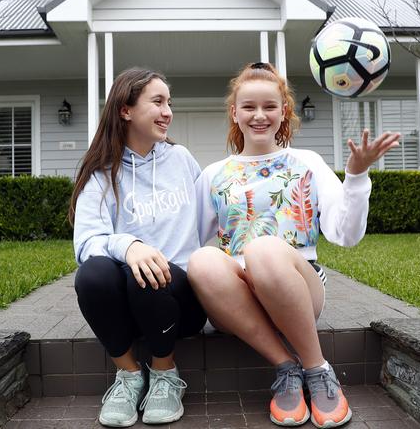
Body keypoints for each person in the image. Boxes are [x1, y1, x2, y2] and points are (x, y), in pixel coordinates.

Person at [188, 62, 400, 428]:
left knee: (262, 250)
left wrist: (356, 175)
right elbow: (186, 239)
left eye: (269, 106)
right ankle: (286, 368)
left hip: (296, 287)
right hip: (238, 302)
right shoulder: (213, 174)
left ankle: (318, 369)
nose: (259, 115)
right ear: (234, 112)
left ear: (283, 110)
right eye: (249, 106)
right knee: (202, 261)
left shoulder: (307, 163)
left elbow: (345, 235)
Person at [69, 67, 207, 427]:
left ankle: (165, 374)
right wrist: (129, 245)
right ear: (126, 110)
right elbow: (86, 243)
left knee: (146, 274)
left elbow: (215, 220)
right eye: (157, 102)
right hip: (130, 303)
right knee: (93, 274)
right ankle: (129, 376)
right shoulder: (101, 173)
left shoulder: (181, 160)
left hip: (182, 302)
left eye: (169, 102)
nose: (168, 111)